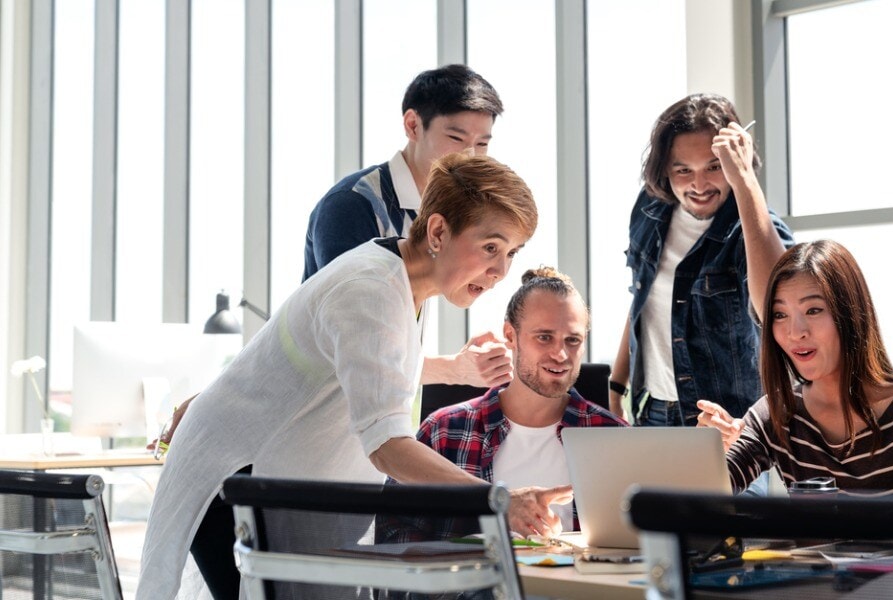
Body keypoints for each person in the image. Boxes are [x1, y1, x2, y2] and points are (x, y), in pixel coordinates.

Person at [138, 154, 571, 600]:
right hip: (232, 477)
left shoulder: (404, 285)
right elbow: (386, 445)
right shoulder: (371, 290)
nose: (501, 272)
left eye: (511, 253)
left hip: (277, 476)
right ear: (438, 232)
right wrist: (497, 500)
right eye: (490, 248)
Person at [378, 267, 627, 543]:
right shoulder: (442, 431)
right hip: (470, 584)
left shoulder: (615, 438)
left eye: (572, 340)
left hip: (578, 587)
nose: (560, 354)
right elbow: (393, 532)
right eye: (544, 337)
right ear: (510, 335)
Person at [305, 63, 512, 390]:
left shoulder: (438, 212)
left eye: (483, 144)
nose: (470, 157)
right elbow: (356, 347)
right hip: (318, 411)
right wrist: (453, 370)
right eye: (456, 138)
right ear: (413, 125)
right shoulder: (354, 204)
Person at [696, 241, 893, 494]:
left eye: (813, 310)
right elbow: (709, 492)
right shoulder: (776, 414)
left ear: (850, 313)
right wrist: (707, 452)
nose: (795, 332)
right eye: (780, 314)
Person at [609, 93, 793, 427]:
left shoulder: (755, 229)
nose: (699, 184)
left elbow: (778, 308)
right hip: (653, 415)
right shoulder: (650, 210)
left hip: (729, 424)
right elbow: (642, 299)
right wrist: (616, 384)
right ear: (665, 169)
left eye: (714, 167)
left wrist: (744, 181)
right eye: (683, 170)